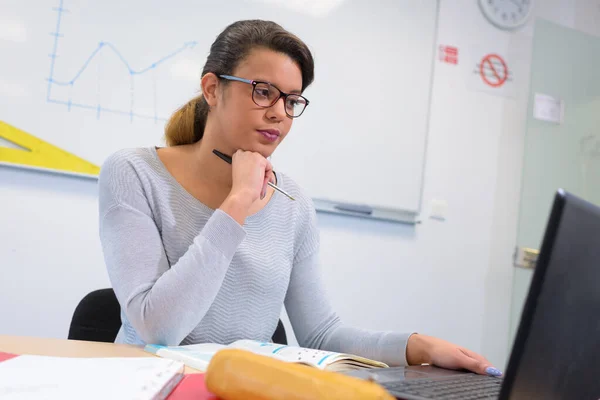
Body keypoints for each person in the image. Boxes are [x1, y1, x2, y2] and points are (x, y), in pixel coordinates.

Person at [98, 19, 502, 377]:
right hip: (147, 388)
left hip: (237, 391)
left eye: (291, 100)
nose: (279, 113)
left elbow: (321, 333)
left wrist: (418, 347)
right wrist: (237, 203)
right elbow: (159, 329)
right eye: (262, 92)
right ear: (212, 89)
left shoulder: (292, 203)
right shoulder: (134, 172)